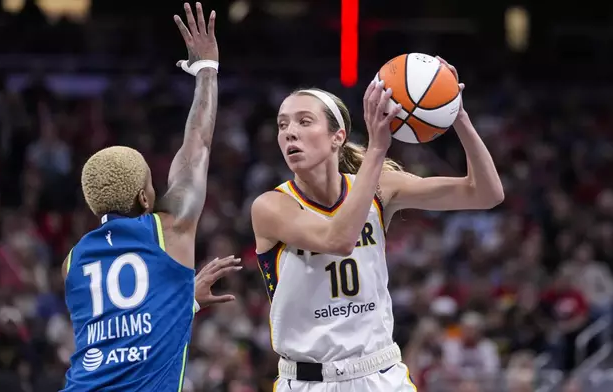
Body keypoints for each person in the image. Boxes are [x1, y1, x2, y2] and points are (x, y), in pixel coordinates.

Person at [251, 57, 503, 392]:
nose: (289, 132)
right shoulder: (272, 206)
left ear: (337, 136)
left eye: (304, 121)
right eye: (283, 125)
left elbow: (486, 193)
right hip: (309, 380)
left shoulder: (381, 187)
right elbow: (339, 238)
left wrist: (455, 114)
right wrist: (378, 149)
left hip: (380, 374)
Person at [61, 3, 237, 391]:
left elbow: (115, 336)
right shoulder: (170, 229)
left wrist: (184, 301)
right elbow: (198, 146)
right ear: (144, 198)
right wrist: (207, 71)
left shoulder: (72, 261)